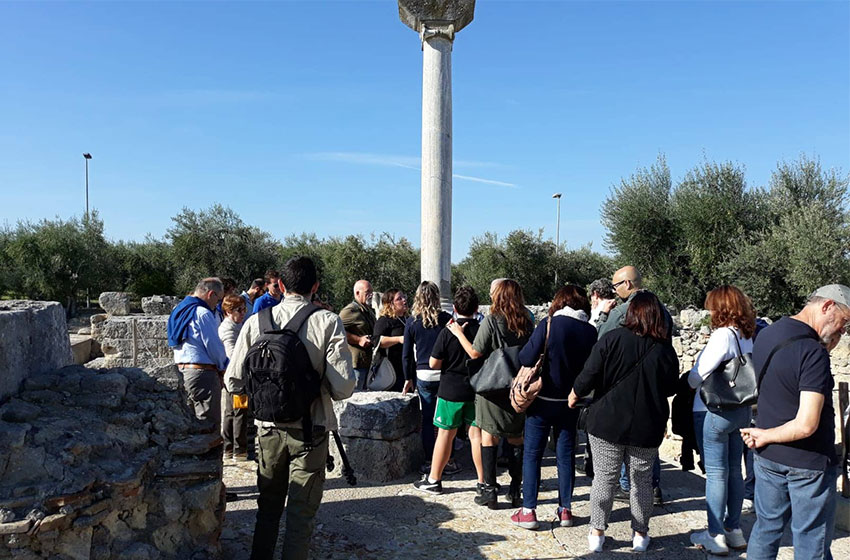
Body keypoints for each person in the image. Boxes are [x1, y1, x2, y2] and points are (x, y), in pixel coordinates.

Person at [224, 256, 356, 560]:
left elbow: (233, 381)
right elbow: (343, 387)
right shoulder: (327, 321)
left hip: (268, 429)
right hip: (310, 429)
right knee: (300, 514)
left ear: (280, 285)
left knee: (268, 508)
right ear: (316, 286)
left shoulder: (257, 321)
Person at [740, 284, 850, 560]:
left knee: (765, 530)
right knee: (810, 542)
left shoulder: (768, 333)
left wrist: (764, 437)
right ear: (827, 307)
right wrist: (766, 436)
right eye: (844, 321)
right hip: (807, 464)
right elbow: (806, 424)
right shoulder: (813, 352)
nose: (844, 330)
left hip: (767, 460)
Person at [569, 291, 679, 553]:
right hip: (648, 424)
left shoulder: (612, 339)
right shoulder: (664, 350)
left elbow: (589, 375)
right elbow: (671, 387)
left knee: (604, 480)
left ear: (631, 314)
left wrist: (574, 395)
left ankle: (597, 533)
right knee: (641, 481)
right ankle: (640, 535)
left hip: (607, 422)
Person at [511, 285, 598, 530]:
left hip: (542, 401)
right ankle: (566, 510)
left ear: (561, 301)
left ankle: (528, 511)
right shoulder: (590, 332)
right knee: (566, 456)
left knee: (532, 455)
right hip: (571, 403)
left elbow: (526, 358)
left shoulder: (549, 325)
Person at [449, 279, 532, 509]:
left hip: (493, 386)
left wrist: (458, 334)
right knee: (516, 436)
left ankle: (489, 490)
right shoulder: (527, 322)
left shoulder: (492, 321)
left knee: (488, 436)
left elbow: (475, 353)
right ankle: (515, 489)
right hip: (517, 387)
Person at [687, 285, 756, 554]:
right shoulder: (746, 335)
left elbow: (699, 374)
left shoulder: (722, 335)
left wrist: (690, 379)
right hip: (740, 410)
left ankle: (714, 534)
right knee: (733, 471)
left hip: (713, 410)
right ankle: (734, 529)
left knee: (715, 474)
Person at [597, 265, 671, 505]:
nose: (615, 291)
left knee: (622, 438)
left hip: (625, 384)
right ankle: (653, 487)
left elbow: (602, 340)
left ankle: (627, 486)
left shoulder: (622, 312)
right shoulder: (663, 312)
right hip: (654, 382)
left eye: (616, 286)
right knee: (647, 441)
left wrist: (601, 315)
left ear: (627, 284)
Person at [414, 286, 484, 494]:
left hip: (450, 390)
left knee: (445, 434)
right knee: (476, 435)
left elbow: (434, 363)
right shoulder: (480, 330)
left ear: (454, 307)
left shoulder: (448, 331)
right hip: (475, 389)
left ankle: (434, 479)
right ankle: (483, 481)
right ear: (476, 308)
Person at [402, 281, 453, 472]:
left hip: (423, 373)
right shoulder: (446, 319)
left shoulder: (412, 321)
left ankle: (430, 459)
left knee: (427, 418)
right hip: (444, 373)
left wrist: (408, 378)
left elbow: (406, 354)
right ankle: (447, 459)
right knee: (445, 420)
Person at [167, 277, 229, 426]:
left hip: (183, 371)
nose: (218, 304)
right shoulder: (203, 313)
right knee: (208, 424)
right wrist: (224, 367)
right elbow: (213, 345)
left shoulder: (178, 309)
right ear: (211, 294)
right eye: (218, 300)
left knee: (189, 423)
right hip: (203, 373)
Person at [218, 294, 249, 461]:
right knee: (239, 413)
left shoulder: (237, 325)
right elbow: (232, 353)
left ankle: (229, 448)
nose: (243, 313)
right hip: (237, 377)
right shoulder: (228, 329)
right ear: (229, 311)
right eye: (239, 310)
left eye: (244, 309)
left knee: (231, 412)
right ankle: (239, 450)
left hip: (235, 376)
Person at [340, 279, 377, 390]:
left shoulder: (368, 310)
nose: (370, 295)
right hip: (356, 366)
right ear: (357, 293)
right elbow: (336, 329)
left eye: (372, 292)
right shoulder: (350, 310)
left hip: (367, 363)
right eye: (367, 292)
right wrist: (358, 340)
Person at [372, 288, 409, 392]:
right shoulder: (384, 321)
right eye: (399, 299)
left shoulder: (408, 319)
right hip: (391, 370)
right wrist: (398, 339)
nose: (404, 300)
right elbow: (376, 341)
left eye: (404, 297)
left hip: (407, 368)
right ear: (390, 304)